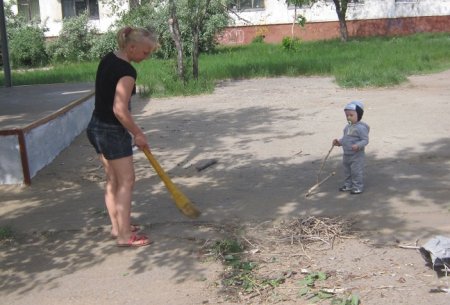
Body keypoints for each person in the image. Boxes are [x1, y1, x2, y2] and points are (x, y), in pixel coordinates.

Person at [86, 26, 159, 247]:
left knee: (113, 180)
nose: (146, 58)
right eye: (145, 53)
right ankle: (125, 236)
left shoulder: (108, 58)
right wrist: (137, 133)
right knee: (127, 180)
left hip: (96, 126)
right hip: (111, 131)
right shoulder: (127, 72)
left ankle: (118, 227)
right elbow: (120, 109)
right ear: (132, 47)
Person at [332, 101, 370, 195]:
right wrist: (339, 142)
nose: (348, 117)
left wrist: (358, 145)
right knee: (347, 170)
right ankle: (348, 185)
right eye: (347, 115)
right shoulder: (347, 127)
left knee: (356, 171)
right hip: (347, 154)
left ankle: (357, 187)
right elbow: (345, 138)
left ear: (359, 115)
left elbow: (365, 140)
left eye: (351, 115)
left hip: (357, 155)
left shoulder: (361, 128)